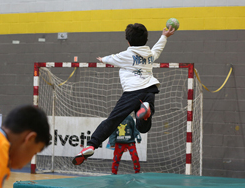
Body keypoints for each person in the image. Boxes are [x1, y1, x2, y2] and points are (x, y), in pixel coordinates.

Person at [72, 23, 175, 165]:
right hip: (150, 90)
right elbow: (157, 49)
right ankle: (145, 111)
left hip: (132, 93)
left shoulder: (126, 55)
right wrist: (164, 36)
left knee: (112, 120)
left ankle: (91, 144)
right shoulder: (150, 55)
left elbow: (110, 58)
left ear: (128, 41)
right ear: (146, 39)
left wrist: (103, 59)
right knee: (143, 128)